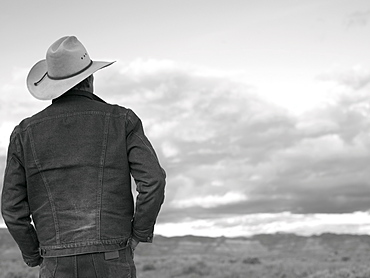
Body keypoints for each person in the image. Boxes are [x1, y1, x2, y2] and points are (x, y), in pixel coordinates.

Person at [1, 36, 166, 278]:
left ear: (52, 84)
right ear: (90, 78)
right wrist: (138, 234)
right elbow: (153, 181)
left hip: (55, 262)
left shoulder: (24, 134)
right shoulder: (122, 121)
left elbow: (11, 208)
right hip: (113, 256)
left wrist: (34, 254)